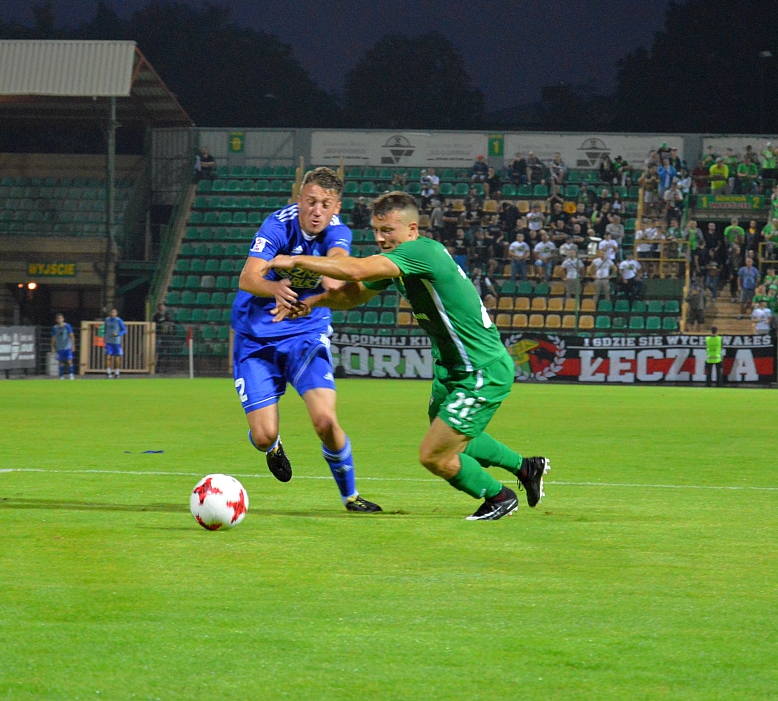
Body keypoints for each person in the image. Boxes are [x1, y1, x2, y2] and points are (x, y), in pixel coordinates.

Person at [264, 191, 548, 521]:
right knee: (452, 436)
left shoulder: (420, 252)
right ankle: (526, 467)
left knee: (434, 455)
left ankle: (499, 497)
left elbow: (356, 270)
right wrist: (312, 303)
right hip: (452, 368)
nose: (380, 238)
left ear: (412, 229)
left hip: (481, 371)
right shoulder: (400, 260)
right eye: (376, 230)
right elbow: (353, 295)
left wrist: (296, 261)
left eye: (388, 230)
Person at [232, 167, 380, 513]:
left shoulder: (338, 232)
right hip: (256, 338)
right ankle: (273, 447)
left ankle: (350, 496)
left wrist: (319, 271)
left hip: (305, 334)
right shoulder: (277, 225)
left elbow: (338, 269)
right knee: (264, 436)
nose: (317, 211)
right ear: (299, 199)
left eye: (325, 205)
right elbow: (247, 278)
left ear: (336, 208)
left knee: (326, 421)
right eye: (311, 201)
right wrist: (274, 287)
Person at [103, 308, 126, 378]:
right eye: (111, 312)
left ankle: (117, 372)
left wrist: (118, 334)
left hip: (116, 341)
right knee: (107, 356)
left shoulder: (119, 320)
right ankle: (108, 372)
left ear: (116, 313)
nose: (113, 313)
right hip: (108, 341)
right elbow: (105, 329)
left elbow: (124, 330)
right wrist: (104, 337)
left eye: (114, 312)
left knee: (117, 357)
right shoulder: (106, 320)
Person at [51, 313, 75, 380]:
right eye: (58, 318)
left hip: (67, 346)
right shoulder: (55, 328)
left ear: (63, 319)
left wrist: (73, 345)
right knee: (60, 361)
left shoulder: (67, 326)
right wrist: (52, 347)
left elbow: (71, 335)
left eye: (61, 318)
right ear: (56, 320)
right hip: (59, 347)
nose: (60, 320)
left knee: (69, 360)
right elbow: (53, 338)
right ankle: (61, 376)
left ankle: (71, 375)